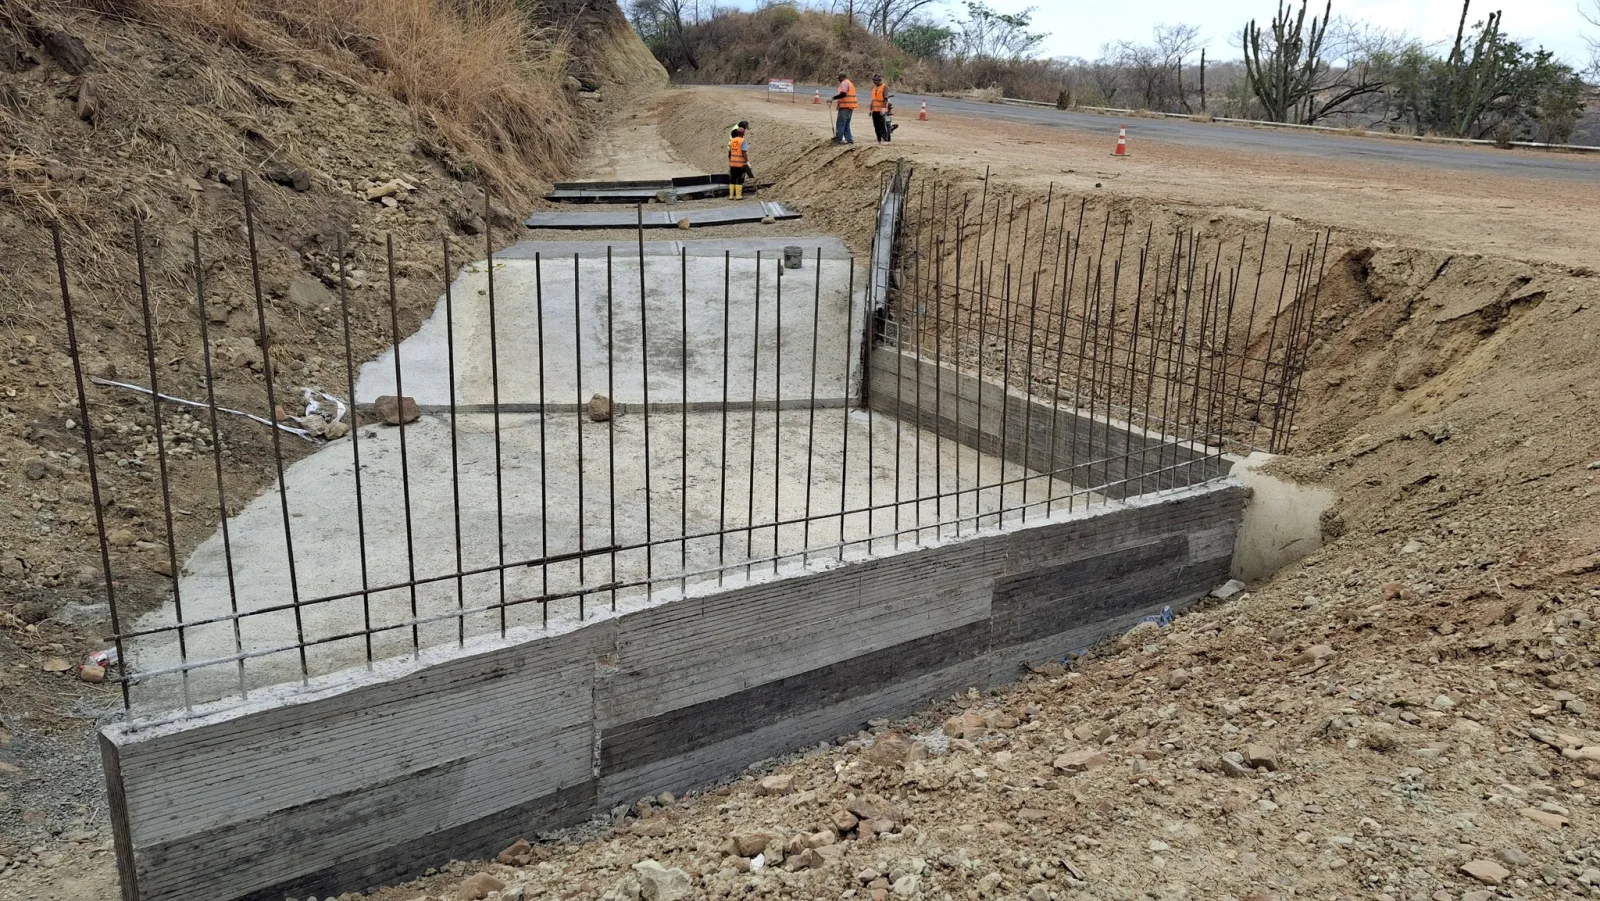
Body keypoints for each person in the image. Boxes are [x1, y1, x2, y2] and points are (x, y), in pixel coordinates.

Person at [830, 71, 857, 145]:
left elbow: (843, 94)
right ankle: (849, 140)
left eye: (839, 78)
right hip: (850, 107)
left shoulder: (844, 83)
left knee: (840, 124)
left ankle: (838, 140)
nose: (838, 80)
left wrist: (833, 98)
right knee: (846, 125)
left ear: (842, 77)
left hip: (845, 107)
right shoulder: (849, 83)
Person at [869, 73, 893, 144]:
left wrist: (883, 108)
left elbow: (885, 98)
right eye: (873, 80)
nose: (873, 81)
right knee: (876, 126)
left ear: (879, 80)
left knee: (882, 126)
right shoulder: (874, 88)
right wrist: (871, 110)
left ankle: (885, 139)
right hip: (874, 110)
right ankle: (879, 140)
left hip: (881, 110)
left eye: (875, 80)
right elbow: (873, 100)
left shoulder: (884, 87)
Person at [727, 127, 748, 199]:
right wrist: (746, 160)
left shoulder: (732, 140)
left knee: (732, 178)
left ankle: (731, 196)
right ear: (743, 133)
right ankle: (738, 196)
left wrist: (730, 160)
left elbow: (730, 152)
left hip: (732, 163)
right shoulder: (743, 141)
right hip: (740, 164)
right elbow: (744, 151)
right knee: (739, 178)